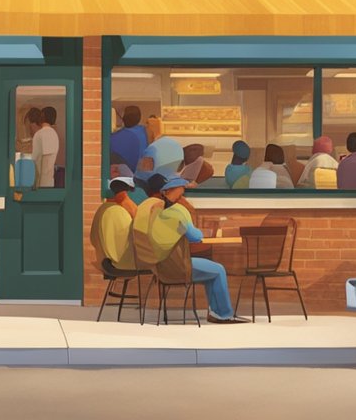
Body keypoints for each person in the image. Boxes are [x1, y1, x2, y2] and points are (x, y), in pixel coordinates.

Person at [150, 176, 248, 324]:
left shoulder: (157, 212)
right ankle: (223, 314)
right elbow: (194, 237)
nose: (183, 191)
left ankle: (216, 312)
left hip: (161, 266)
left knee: (211, 273)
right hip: (179, 267)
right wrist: (198, 230)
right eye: (181, 188)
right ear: (174, 190)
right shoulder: (178, 212)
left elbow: (177, 232)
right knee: (219, 269)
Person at [92, 176, 139, 272]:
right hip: (122, 262)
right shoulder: (125, 207)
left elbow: (93, 237)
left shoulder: (103, 208)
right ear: (126, 191)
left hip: (103, 259)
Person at [110, 106, 149, 186]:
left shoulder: (115, 138)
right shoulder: (142, 132)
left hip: (122, 180)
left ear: (123, 118)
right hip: (138, 179)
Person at [30, 107, 60, 189]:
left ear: (43, 116)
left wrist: (40, 188)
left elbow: (45, 163)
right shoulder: (51, 134)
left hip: (42, 185)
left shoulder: (43, 134)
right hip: (45, 184)